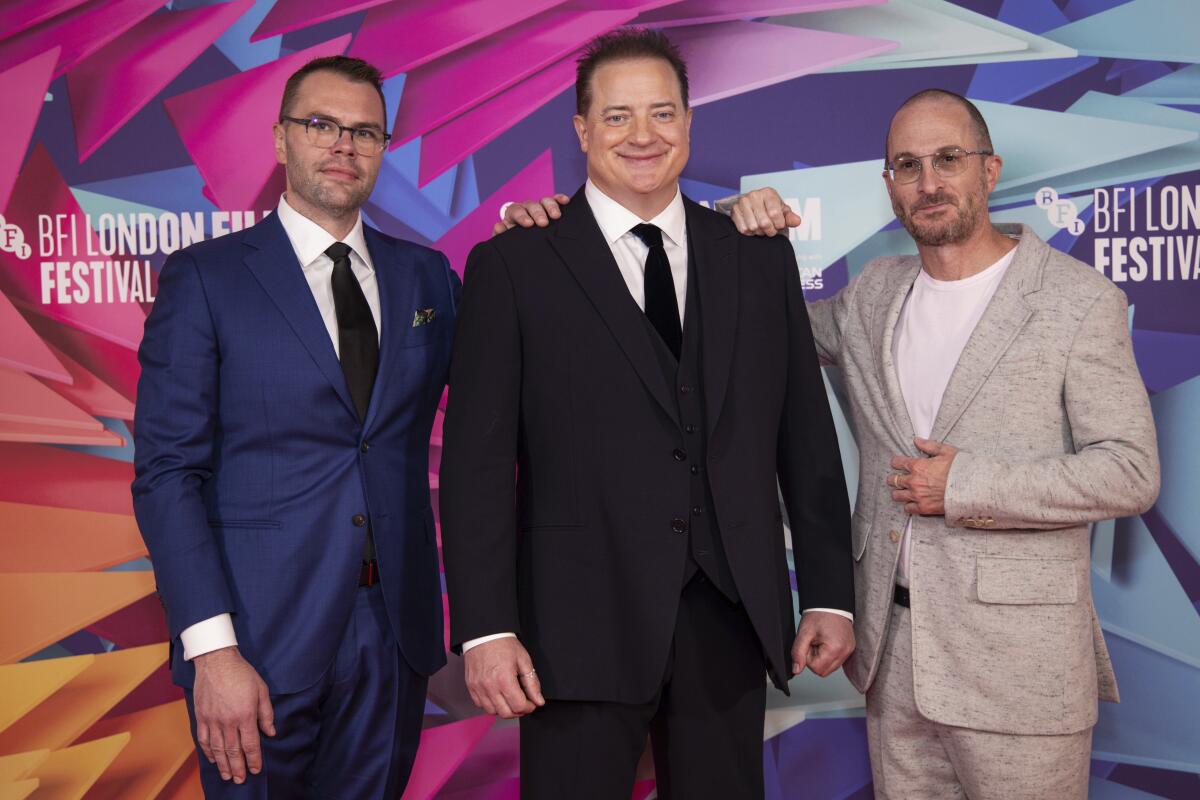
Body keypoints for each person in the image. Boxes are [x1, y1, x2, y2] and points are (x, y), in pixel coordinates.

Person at [502, 87, 1161, 799]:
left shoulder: (1075, 299)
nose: (929, 183)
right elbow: (734, 330)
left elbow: (1130, 472)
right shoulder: (874, 293)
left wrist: (966, 485)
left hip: (1019, 668)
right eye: (907, 165)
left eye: (948, 160)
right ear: (888, 184)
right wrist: (690, 226)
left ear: (990, 170)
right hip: (894, 660)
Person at [440, 28, 854, 800]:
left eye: (662, 114)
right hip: (571, 629)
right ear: (582, 130)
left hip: (728, 621)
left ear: (691, 123)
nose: (643, 136)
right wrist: (487, 628)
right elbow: (478, 467)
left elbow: (804, 436)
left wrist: (828, 590)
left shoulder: (756, 254)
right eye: (619, 115)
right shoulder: (514, 265)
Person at [132, 56, 460, 797]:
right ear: (281, 140)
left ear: (383, 149)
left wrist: (532, 233)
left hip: (394, 635)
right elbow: (167, 475)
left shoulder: (428, 278)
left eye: (365, 132)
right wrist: (212, 651)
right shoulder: (206, 279)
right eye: (321, 125)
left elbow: (500, 406)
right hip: (256, 640)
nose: (344, 145)